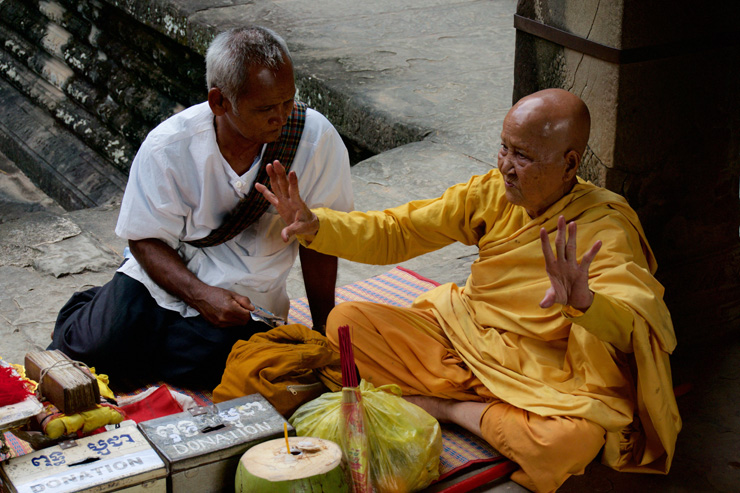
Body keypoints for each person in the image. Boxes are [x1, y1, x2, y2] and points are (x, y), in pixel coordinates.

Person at [256, 89, 681, 492]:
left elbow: (639, 324)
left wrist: (586, 303)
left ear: (570, 165)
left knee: (567, 442)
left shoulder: (605, 226)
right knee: (346, 323)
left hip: (541, 370)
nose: (505, 167)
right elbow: (400, 230)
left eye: (524, 156)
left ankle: (444, 407)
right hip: (462, 338)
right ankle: (479, 412)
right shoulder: (492, 194)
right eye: (504, 148)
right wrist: (317, 226)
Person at [49, 26, 353, 389]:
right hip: (162, 278)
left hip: (245, 298)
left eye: (288, 101)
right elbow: (144, 239)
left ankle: (132, 327)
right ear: (219, 102)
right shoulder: (169, 146)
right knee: (94, 352)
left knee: (231, 371)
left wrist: (323, 329)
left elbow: (323, 244)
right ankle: (95, 306)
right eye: (266, 108)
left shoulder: (316, 140)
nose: (282, 116)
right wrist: (201, 295)